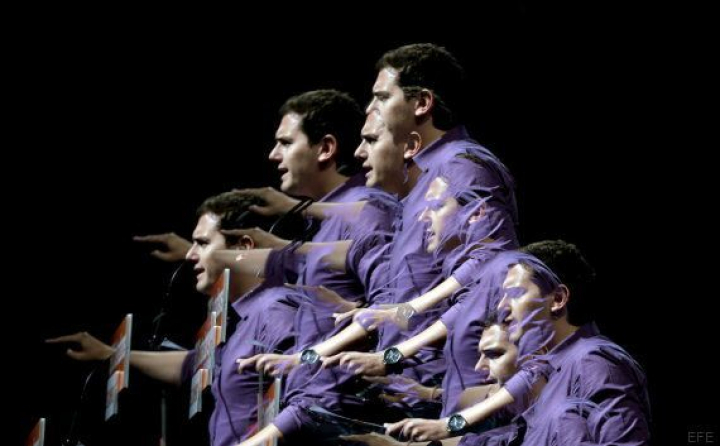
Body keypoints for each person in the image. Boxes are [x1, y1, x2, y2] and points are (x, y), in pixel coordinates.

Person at [47, 192, 299, 446]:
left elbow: (308, 403)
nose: (189, 255)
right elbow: (197, 364)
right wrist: (112, 354)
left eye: (202, 243)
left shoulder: (275, 312)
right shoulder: (247, 318)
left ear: (243, 248)